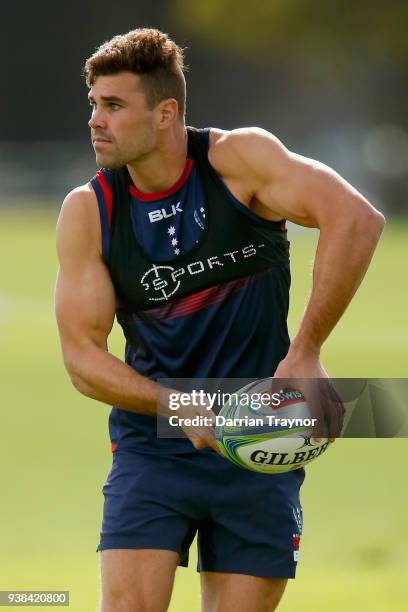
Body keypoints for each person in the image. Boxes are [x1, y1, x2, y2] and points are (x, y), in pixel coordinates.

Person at [55, 28, 385, 612]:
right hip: (154, 447)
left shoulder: (239, 162)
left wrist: (304, 351)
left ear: (165, 113)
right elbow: (82, 359)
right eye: (92, 105)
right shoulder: (91, 211)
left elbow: (356, 219)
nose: (95, 121)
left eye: (113, 105)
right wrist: (177, 405)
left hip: (261, 436)